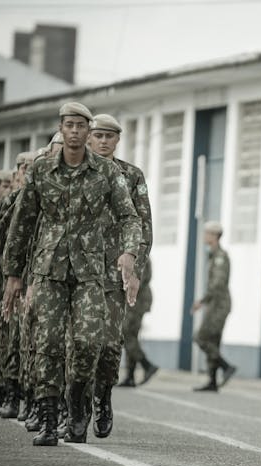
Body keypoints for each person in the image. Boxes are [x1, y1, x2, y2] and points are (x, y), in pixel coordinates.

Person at [1, 101, 142, 446]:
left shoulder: (108, 173)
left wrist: (129, 253)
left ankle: (78, 404)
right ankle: (50, 420)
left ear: (87, 130)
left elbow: (129, 217)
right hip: (49, 269)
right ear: (62, 129)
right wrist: (13, 274)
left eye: (81, 125)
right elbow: (22, 224)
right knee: (47, 343)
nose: (75, 131)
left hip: (91, 271)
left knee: (87, 343)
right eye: (70, 125)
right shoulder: (41, 170)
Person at [87, 113, 155, 438]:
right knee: (76, 341)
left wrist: (136, 269)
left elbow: (143, 227)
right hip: (76, 271)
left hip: (115, 273)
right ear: (88, 137)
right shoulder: (74, 173)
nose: (103, 141)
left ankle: (103, 396)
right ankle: (74, 405)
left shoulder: (131, 175)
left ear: (117, 140)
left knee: (110, 343)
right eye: (98, 135)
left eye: (109, 136)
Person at [191, 221, 237, 392]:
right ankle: (212, 381)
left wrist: (202, 301)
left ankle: (226, 367)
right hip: (215, 304)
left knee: (201, 337)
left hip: (219, 305)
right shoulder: (213, 255)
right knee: (212, 341)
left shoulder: (220, 257)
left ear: (214, 236)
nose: (204, 236)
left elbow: (217, 284)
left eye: (207, 233)